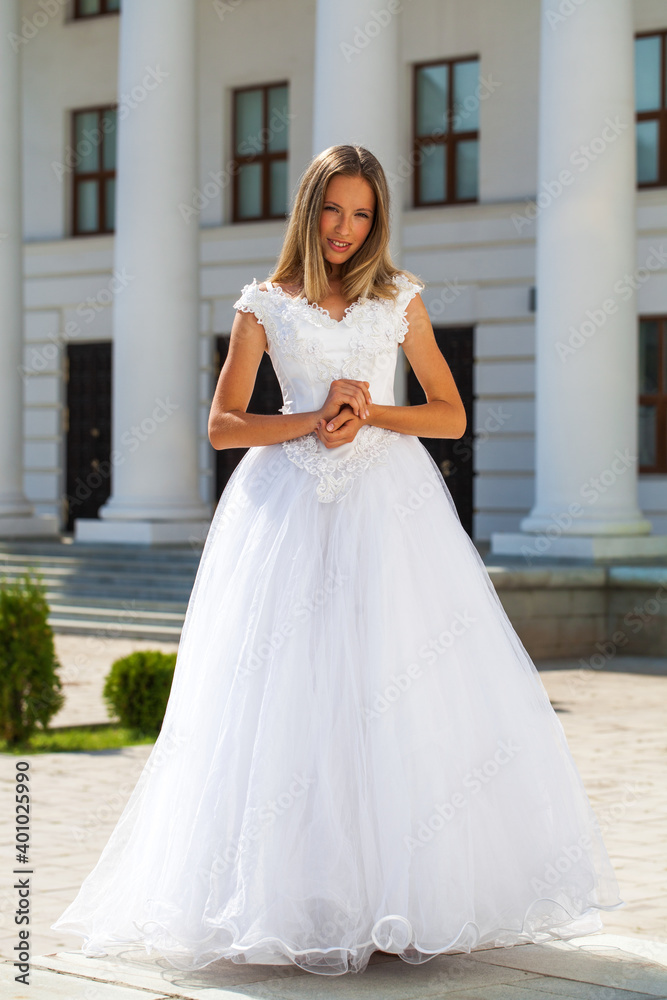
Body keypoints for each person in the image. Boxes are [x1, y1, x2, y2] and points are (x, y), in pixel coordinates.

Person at [51, 144, 623, 978]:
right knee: (288, 699)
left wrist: (370, 411)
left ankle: (401, 900)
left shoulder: (399, 301)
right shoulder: (263, 305)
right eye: (333, 210)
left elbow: (450, 416)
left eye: (362, 213)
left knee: (394, 690)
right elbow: (223, 426)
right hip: (284, 513)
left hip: (391, 514)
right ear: (308, 209)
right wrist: (314, 417)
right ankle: (300, 901)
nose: (347, 228)